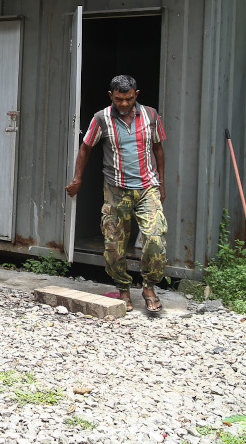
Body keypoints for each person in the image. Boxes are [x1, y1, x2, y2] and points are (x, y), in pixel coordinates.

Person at [66, 75, 167, 312]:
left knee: (155, 238)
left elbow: (159, 149)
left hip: (147, 188)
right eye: (119, 99)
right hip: (116, 189)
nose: (124, 104)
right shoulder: (101, 119)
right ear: (111, 96)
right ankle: (123, 288)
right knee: (114, 244)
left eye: (129, 99)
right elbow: (85, 148)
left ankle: (149, 287)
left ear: (136, 95)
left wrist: (162, 183)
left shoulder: (151, 116)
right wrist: (77, 179)